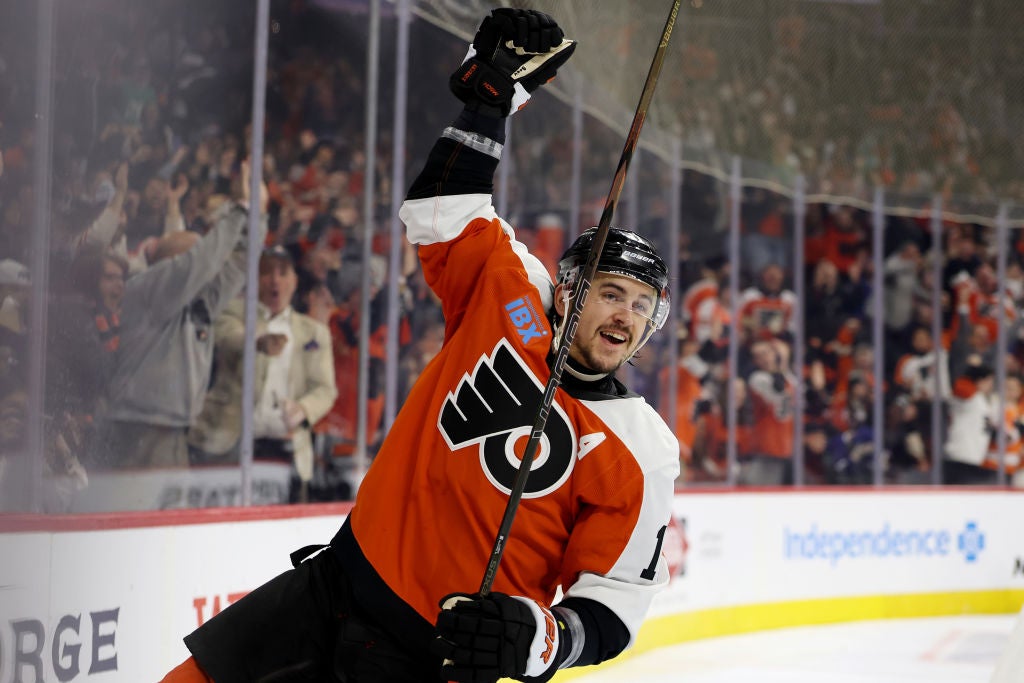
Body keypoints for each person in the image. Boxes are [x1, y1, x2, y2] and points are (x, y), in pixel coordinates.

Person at [162, 8, 679, 683]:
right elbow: (440, 215)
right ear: (569, 288)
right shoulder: (509, 292)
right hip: (331, 587)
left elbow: (614, 602)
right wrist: (488, 103)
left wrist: (539, 638)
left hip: (431, 659)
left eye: (643, 307)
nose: (628, 316)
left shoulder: (642, 447)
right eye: (612, 292)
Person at [96, 162, 266, 469]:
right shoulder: (149, 286)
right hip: (135, 430)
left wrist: (257, 215)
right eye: (198, 259)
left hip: (175, 432)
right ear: (172, 262)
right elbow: (201, 262)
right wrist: (239, 209)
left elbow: (240, 264)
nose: (211, 270)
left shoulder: (199, 301)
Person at [187, 245, 337, 501]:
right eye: (267, 272)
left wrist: (303, 409)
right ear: (255, 278)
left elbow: (325, 388)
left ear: (294, 281)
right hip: (228, 442)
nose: (275, 280)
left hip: (286, 447)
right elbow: (228, 336)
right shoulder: (233, 312)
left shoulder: (314, 332)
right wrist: (258, 341)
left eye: (282, 272)